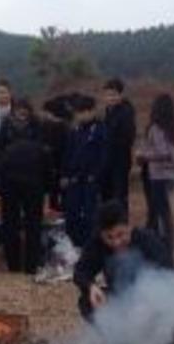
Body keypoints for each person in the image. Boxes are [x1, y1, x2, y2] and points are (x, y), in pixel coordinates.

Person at [72, 202, 174, 344]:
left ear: (129, 226)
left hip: (152, 303)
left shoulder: (148, 241)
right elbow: (80, 271)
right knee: (86, 301)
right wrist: (91, 287)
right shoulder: (97, 244)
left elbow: (170, 278)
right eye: (109, 237)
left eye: (121, 234)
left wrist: (148, 304)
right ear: (101, 234)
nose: (116, 242)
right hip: (122, 301)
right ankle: (120, 343)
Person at [0, 103, 53, 274]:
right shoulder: (39, 142)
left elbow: (0, 166)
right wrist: (47, 189)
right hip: (32, 185)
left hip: (12, 185)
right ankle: (31, 266)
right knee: (33, 225)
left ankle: (13, 266)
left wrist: (0, 188)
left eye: (24, 113)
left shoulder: (7, 143)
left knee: (11, 225)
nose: (21, 117)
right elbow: (48, 168)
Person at [61, 95, 108, 247]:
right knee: (71, 216)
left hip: (90, 180)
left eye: (84, 112)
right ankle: (73, 248)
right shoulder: (75, 130)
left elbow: (103, 156)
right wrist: (65, 175)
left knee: (90, 217)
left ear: (92, 112)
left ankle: (90, 248)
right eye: (78, 113)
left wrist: (96, 176)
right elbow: (67, 154)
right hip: (74, 180)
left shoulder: (100, 130)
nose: (81, 115)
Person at [136, 94, 174, 254]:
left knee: (158, 211)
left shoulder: (156, 128)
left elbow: (162, 152)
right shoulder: (170, 127)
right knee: (160, 211)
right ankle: (160, 243)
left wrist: (143, 156)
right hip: (167, 175)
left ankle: (162, 246)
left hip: (157, 175)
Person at [101, 79, 137, 214]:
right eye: (107, 95)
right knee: (107, 197)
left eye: (114, 95)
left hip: (120, 162)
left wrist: (110, 140)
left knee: (119, 197)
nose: (110, 98)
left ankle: (121, 226)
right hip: (107, 162)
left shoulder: (126, 113)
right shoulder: (108, 112)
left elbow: (128, 138)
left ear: (120, 95)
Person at [40, 95, 73, 211]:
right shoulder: (44, 125)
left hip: (61, 166)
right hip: (50, 167)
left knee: (64, 195)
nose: (44, 115)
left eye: (46, 112)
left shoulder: (64, 128)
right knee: (53, 196)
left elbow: (67, 150)